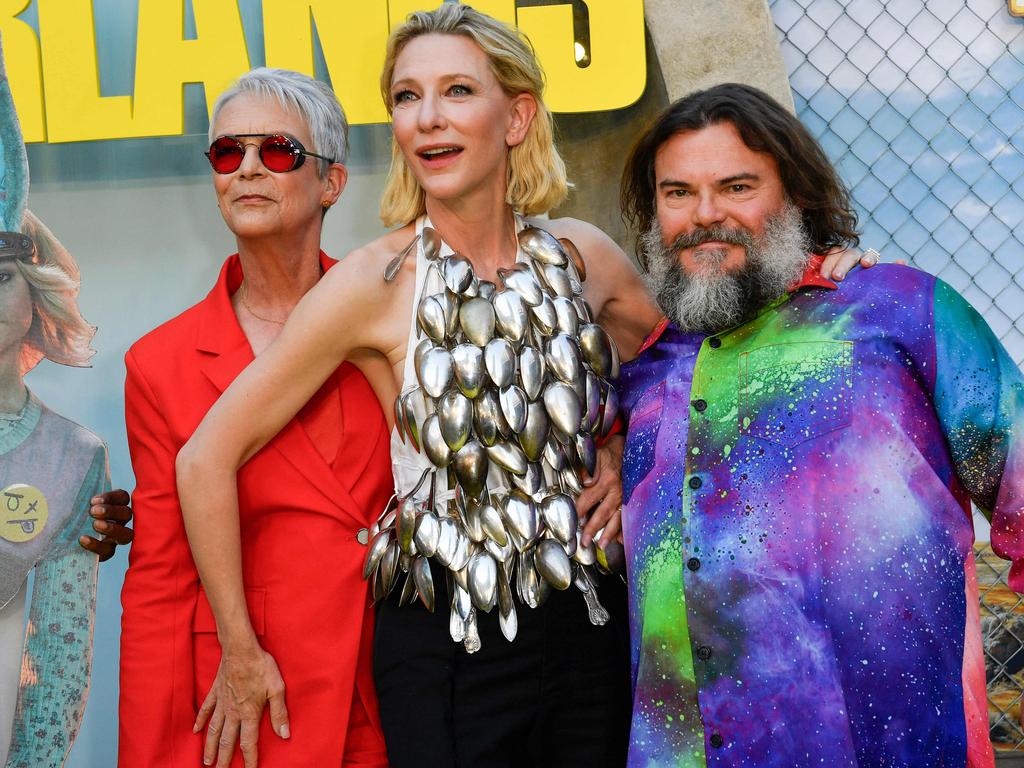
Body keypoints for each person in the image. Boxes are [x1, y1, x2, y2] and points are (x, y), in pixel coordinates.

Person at [174, 6, 879, 768]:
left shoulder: (583, 256)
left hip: (589, 631)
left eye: (455, 91)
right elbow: (203, 459)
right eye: (407, 97)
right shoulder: (370, 284)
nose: (428, 118)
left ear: (516, 116)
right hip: (441, 647)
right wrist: (241, 652)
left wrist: (821, 283)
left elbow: (689, 377)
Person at [615, 81, 1021, 768]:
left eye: (737, 186)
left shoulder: (900, 312)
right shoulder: (646, 373)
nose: (704, 215)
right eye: (677, 192)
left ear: (794, 195)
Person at [117, 69, 393, 768]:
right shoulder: (161, 364)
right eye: (225, 154)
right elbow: (159, 578)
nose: (245, 170)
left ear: (331, 182)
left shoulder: (396, 319)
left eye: (276, 152)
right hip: (252, 695)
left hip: (393, 677)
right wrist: (149, 750)